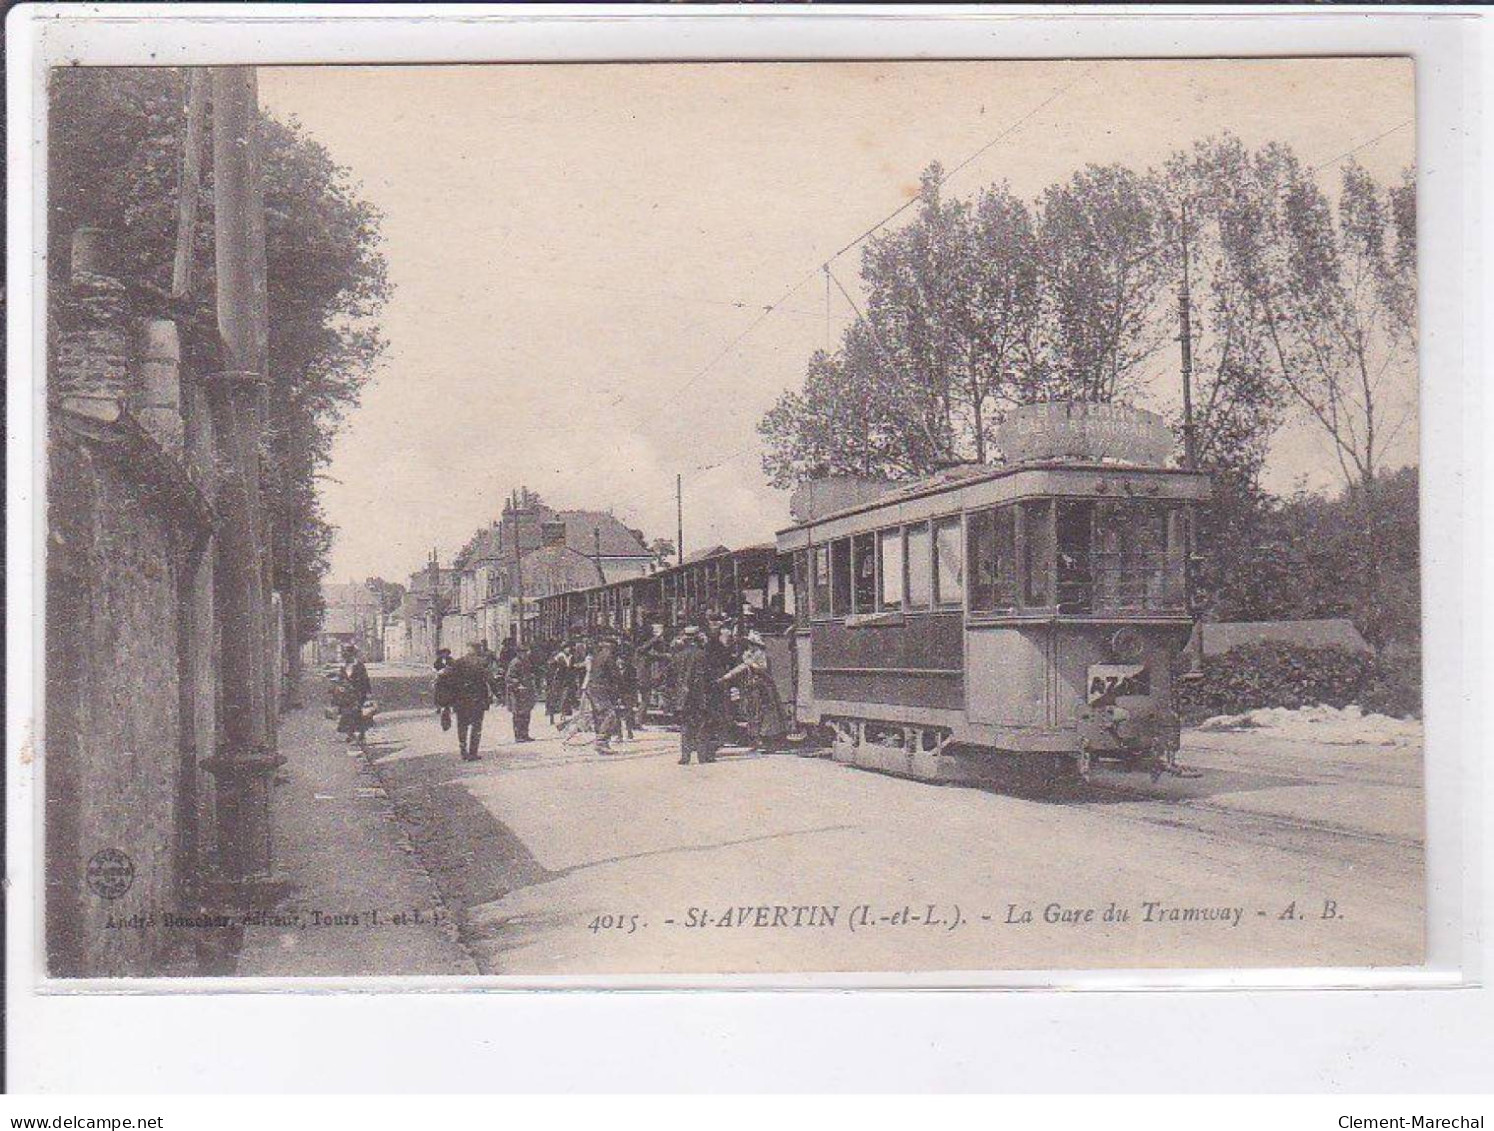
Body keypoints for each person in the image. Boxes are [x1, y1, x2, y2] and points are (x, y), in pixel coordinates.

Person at [717, 631, 789, 751]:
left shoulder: (760, 655)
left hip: (762, 688)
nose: (749, 646)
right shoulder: (749, 655)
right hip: (753, 687)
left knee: (764, 714)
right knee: (753, 713)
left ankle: (768, 742)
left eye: (751, 643)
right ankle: (757, 740)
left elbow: (762, 668)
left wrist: (750, 664)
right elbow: (741, 668)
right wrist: (726, 676)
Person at [672, 626, 719, 765]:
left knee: (686, 725)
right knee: (702, 725)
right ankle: (702, 757)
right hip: (700, 695)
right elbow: (710, 676)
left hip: (683, 696)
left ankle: (685, 757)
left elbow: (674, 675)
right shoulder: (703, 654)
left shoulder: (678, 655)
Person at [441, 640, 493, 761]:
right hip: (478, 699)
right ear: (477, 649)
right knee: (476, 726)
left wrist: (448, 700)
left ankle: (463, 751)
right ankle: (473, 752)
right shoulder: (482, 663)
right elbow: (490, 679)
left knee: (462, 725)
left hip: (461, 700)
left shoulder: (458, 662)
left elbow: (448, 680)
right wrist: (498, 694)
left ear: (468, 649)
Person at [583, 636, 621, 754]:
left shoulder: (598, 655)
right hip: (600, 689)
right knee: (610, 715)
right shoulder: (608, 656)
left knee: (599, 716)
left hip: (592, 688)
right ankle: (601, 742)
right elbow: (614, 674)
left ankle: (600, 741)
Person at [333, 644, 372, 745]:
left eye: (347, 654)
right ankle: (350, 734)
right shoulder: (343, 666)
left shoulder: (359, 665)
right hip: (346, 694)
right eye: (344, 654)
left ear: (352, 654)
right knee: (346, 713)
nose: (345, 656)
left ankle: (361, 734)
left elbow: (365, 680)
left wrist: (368, 693)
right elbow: (341, 679)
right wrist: (339, 686)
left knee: (358, 713)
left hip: (358, 693)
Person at [506, 645, 538, 742]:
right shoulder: (514, 663)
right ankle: (518, 736)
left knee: (526, 713)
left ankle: (525, 734)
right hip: (517, 693)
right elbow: (509, 677)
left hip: (527, 691)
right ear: (518, 653)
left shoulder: (526, 662)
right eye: (522, 652)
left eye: (525, 652)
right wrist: (518, 684)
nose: (525, 654)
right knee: (518, 714)